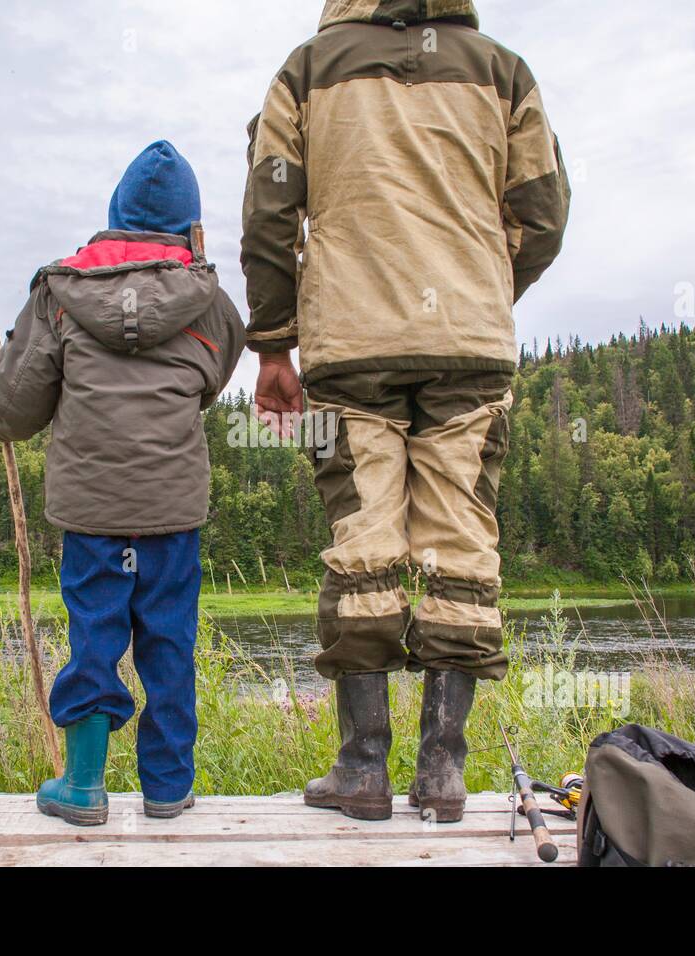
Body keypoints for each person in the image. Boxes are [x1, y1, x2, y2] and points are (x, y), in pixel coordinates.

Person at [241, 0, 571, 822]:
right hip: (471, 343)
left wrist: (275, 343)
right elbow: (544, 212)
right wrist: (484, 286)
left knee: (363, 543)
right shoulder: (504, 70)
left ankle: (361, 770)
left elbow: (270, 211)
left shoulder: (306, 70)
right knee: (464, 547)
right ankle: (443, 775)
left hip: (351, 344)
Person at [0, 141, 245, 826]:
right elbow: (208, 383)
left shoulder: (56, 296)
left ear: (114, 217)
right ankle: (167, 789)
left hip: (92, 516)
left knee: (95, 637)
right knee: (169, 642)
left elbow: (13, 413)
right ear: (190, 228)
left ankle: (83, 786)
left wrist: (6, 368)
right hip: (171, 512)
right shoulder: (212, 302)